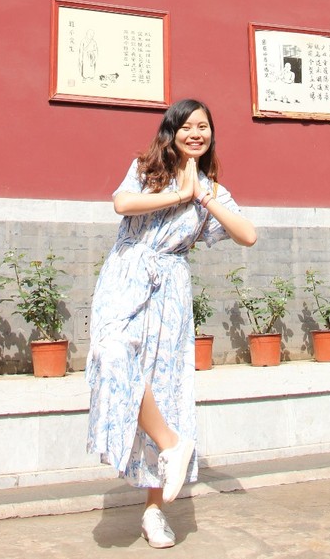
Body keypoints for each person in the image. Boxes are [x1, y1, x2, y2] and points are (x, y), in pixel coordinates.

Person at [86, 98, 257, 549]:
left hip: (170, 289)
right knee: (111, 351)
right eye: (187, 126)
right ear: (172, 131)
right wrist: (180, 194)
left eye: (203, 127)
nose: (195, 134)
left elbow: (248, 234)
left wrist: (203, 196)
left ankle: (154, 509)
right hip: (126, 274)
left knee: (161, 386)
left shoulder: (211, 190)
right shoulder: (147, 170)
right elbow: (122, 204)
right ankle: (172, 443)